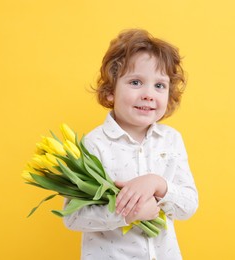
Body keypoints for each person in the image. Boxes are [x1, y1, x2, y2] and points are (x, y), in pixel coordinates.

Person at [63, 28, 198, 260]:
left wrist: (158, 183)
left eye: (159, 86)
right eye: (136, 82)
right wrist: (127, 214)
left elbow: (188, 205)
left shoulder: (171, 140)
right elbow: (73, 216)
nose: (148, 94)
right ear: (110, 93)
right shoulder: (94, 144)